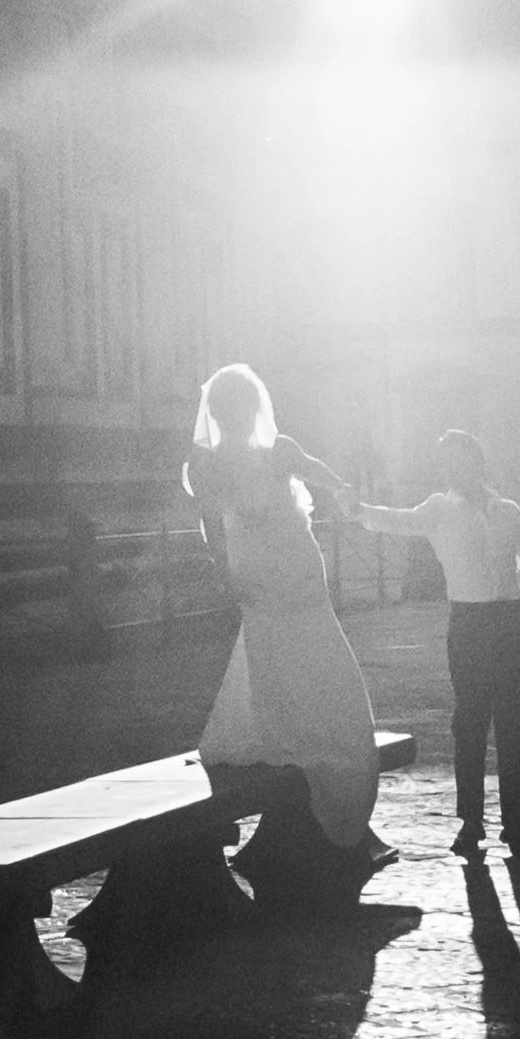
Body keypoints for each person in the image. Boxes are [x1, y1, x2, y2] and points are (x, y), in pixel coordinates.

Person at [185, 364, 391, 897]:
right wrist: (350, 495)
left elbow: (210, 524)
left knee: (269, 653)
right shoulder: (278, 450)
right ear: (255, 408)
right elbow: (324, 475)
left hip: (253, 567)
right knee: (318, 650)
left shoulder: (204, 461)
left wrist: (223, 572)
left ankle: (281, 731)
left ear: (215, 411)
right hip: (296, 565)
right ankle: (325, 731)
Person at [344, 431, 520, 865]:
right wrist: (357, 510)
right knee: (470, 726)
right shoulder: (438, 509)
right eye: (446, 463)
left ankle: (516, 827)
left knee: (515, 730)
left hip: (510, 624)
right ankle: (471, 822)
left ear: (477, 461)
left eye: (458, 460)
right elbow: (397, 520)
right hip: (470, 625)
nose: (451, 469)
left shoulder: (510, 512)